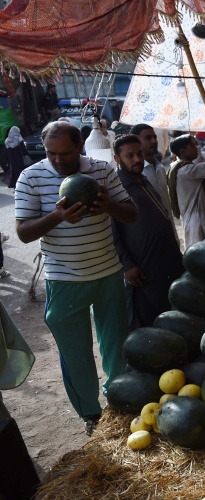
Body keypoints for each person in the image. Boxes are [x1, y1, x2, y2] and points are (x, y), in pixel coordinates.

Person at [14, 121, 137, 435]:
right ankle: (91, 415)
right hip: (64, 280)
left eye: (65, 153)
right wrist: (57, 216)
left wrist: (108, 205)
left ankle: (120, 403)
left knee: (116, 346)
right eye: (51, 153)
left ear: (80, 146)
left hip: (108, 273)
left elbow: (131, 213)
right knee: (75, 352)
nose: (57, 160)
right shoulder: (30, 177)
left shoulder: (102, 170)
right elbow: (23, 233)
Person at [111, 135, 184, 329]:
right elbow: (113, 233)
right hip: (142, 266)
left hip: (165, 259)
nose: (137, 159)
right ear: (117, 159)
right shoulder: (116, 189)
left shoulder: (143, 179)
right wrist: (127, 265)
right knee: (148, 320)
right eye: (130, 156)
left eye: (139, 154)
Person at [130, 123, 180, 247]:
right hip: (151, 239)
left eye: (155, 137)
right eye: (148, 138)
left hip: (169, 231)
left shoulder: (161, 168)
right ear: (136, 141)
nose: (154, 141)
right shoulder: (135, 173)